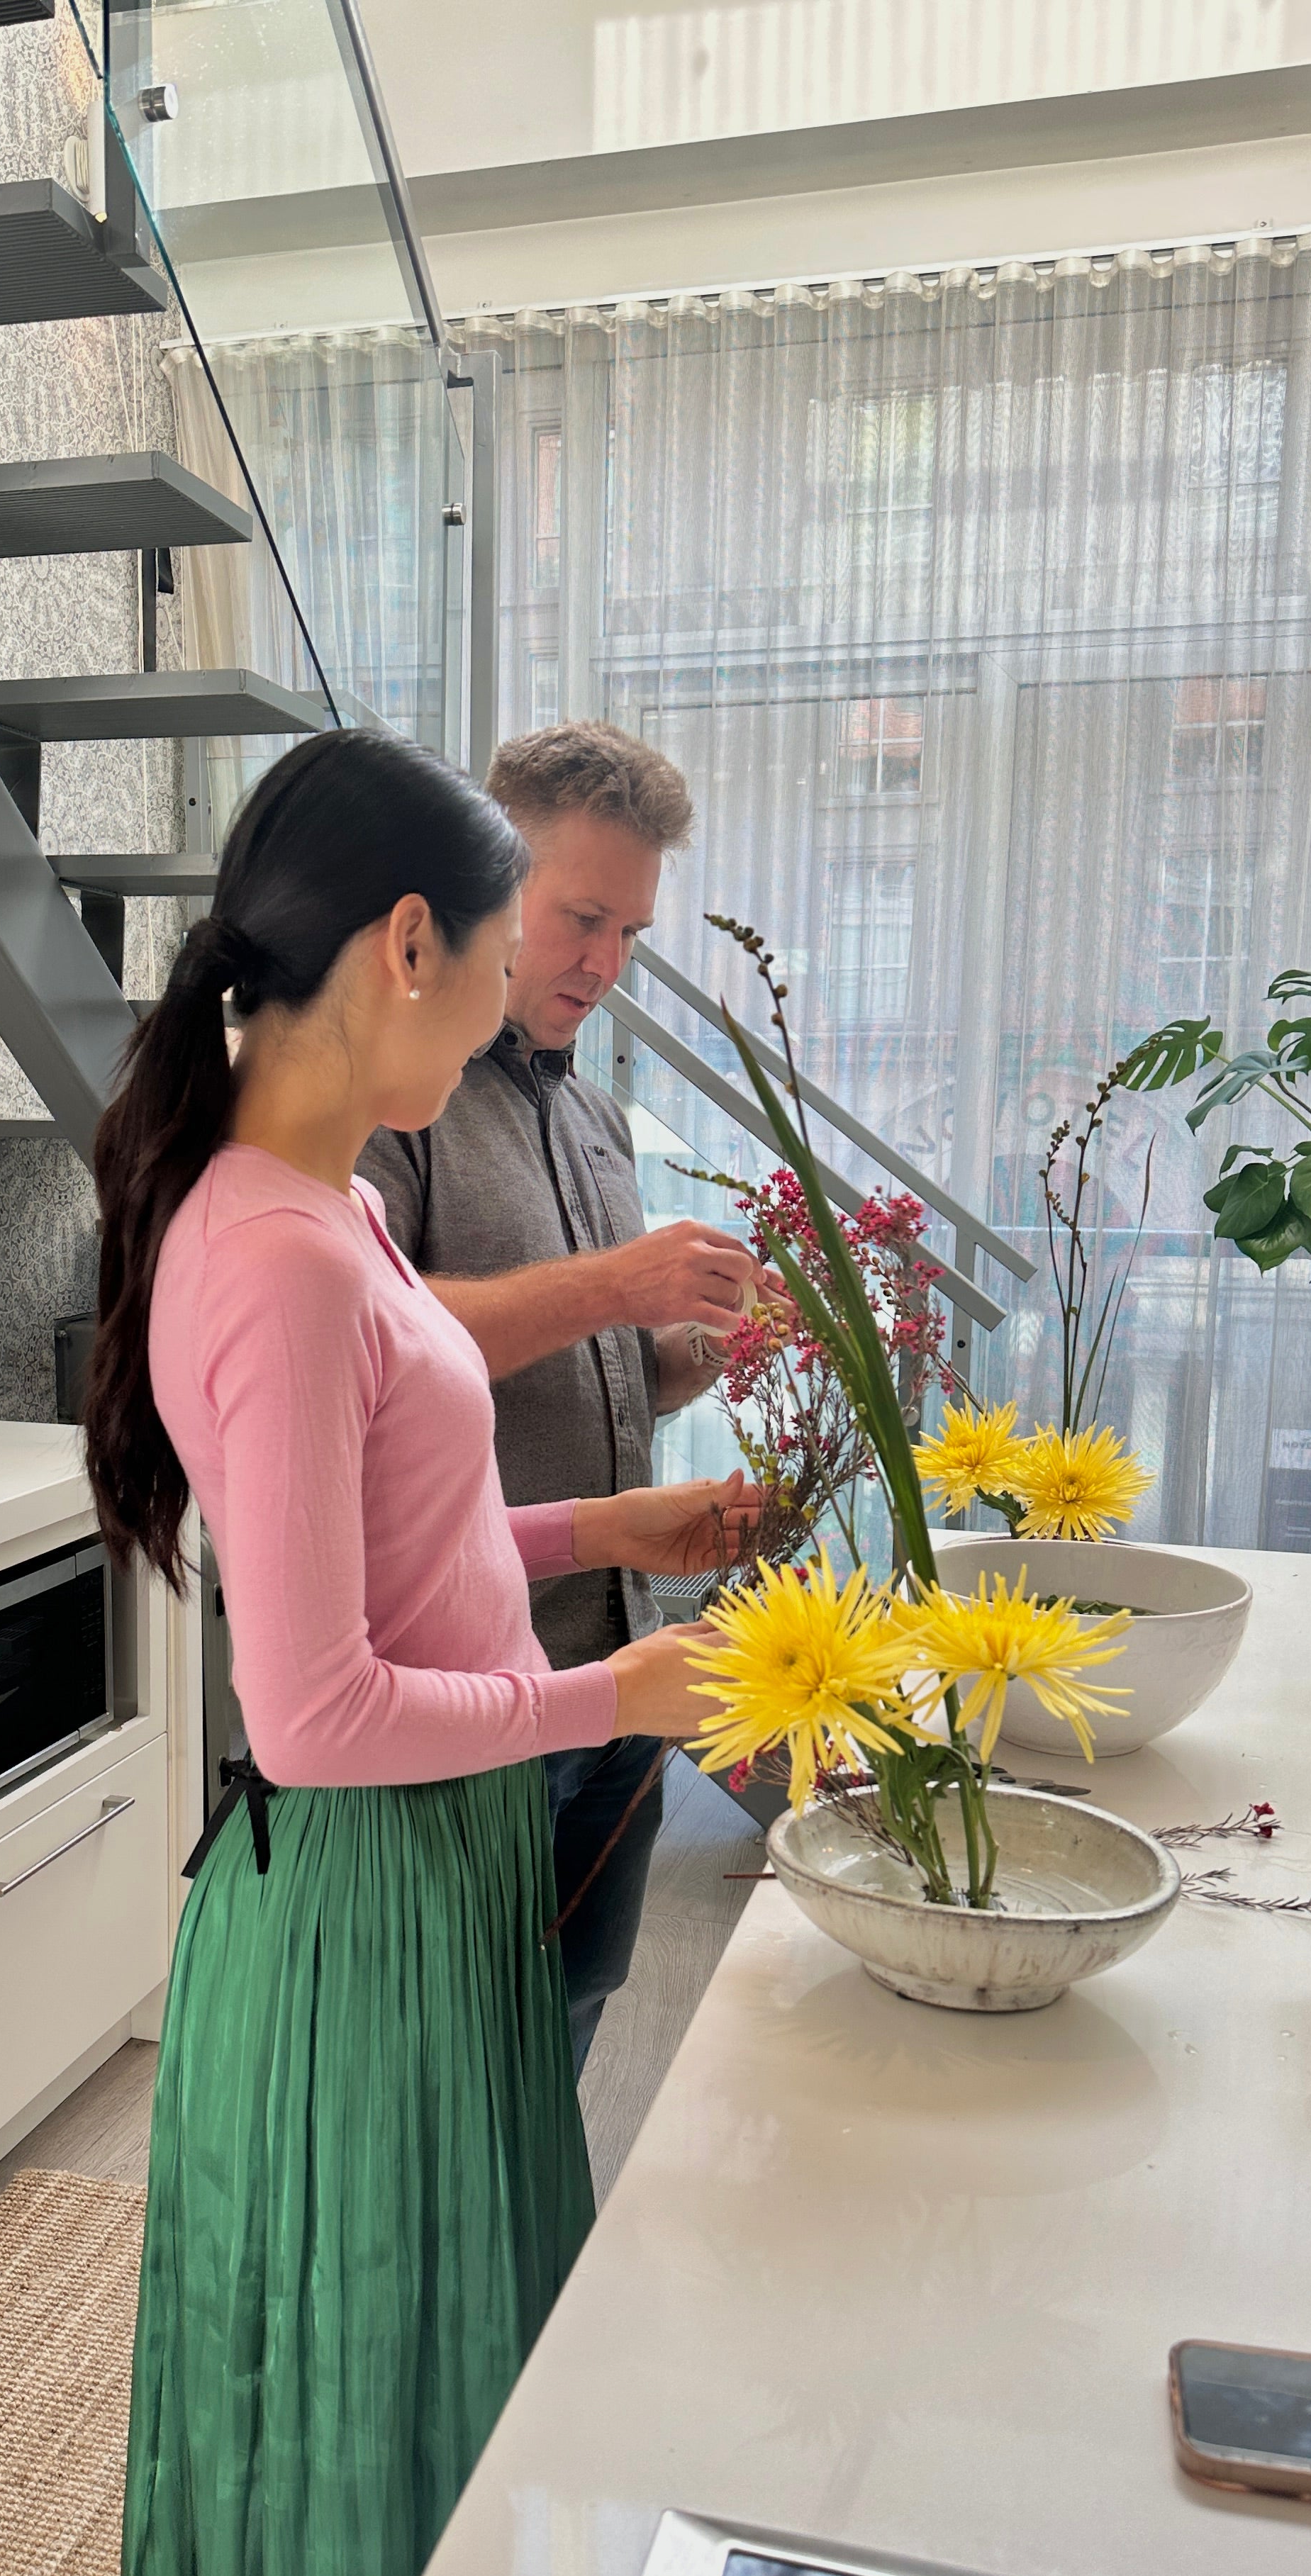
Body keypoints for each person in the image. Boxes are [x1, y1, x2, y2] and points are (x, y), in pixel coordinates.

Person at [85, 727, 757, 2576]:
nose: (507, 1013)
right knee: (369, 2383)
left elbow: (421, 1548)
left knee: (432, 2361)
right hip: (358, 1896)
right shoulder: (276, 1252)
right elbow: (313, 1714)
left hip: (422, 1882)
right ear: (404, 949)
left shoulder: (325, 1218)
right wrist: (619, 1694)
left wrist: (599, 1554)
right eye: (496, 960)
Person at [357, 720, 775, 2071]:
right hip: (475, 1683)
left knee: (570, 2025)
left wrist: (704, 1346)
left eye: (631, 933)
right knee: (451, 2063)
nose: (605, 963)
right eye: (582, 916)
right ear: (488, 886)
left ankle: (539, 2277)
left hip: (614, 1660)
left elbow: (612, 1374)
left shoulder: (588, 1115)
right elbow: (377, 1346)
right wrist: (613, 1286)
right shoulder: (393, 1099)